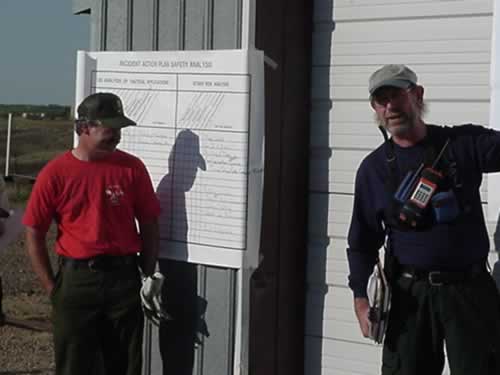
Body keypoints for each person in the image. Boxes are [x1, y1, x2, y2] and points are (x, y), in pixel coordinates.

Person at [347, 64, 500, 374]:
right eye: (381, 100)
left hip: (469, 291)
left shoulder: (462, 144)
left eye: (396, 96)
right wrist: (361, 300)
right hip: (409, 298)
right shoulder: (373, 170)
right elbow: (362, 242)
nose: (390, 107)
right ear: (375, 108)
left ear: (417, 95)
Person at [23, 92, 161, 375]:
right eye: (110, 128)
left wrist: (146, 275)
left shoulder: (132, 168)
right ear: (84, 127)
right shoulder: (56, 173)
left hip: (123, 280)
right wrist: (54, 289)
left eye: (120, 129)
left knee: (123, 365)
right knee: (75, 365)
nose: (117, 136)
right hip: (77, 281)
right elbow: (34, 232)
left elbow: (149, 223)